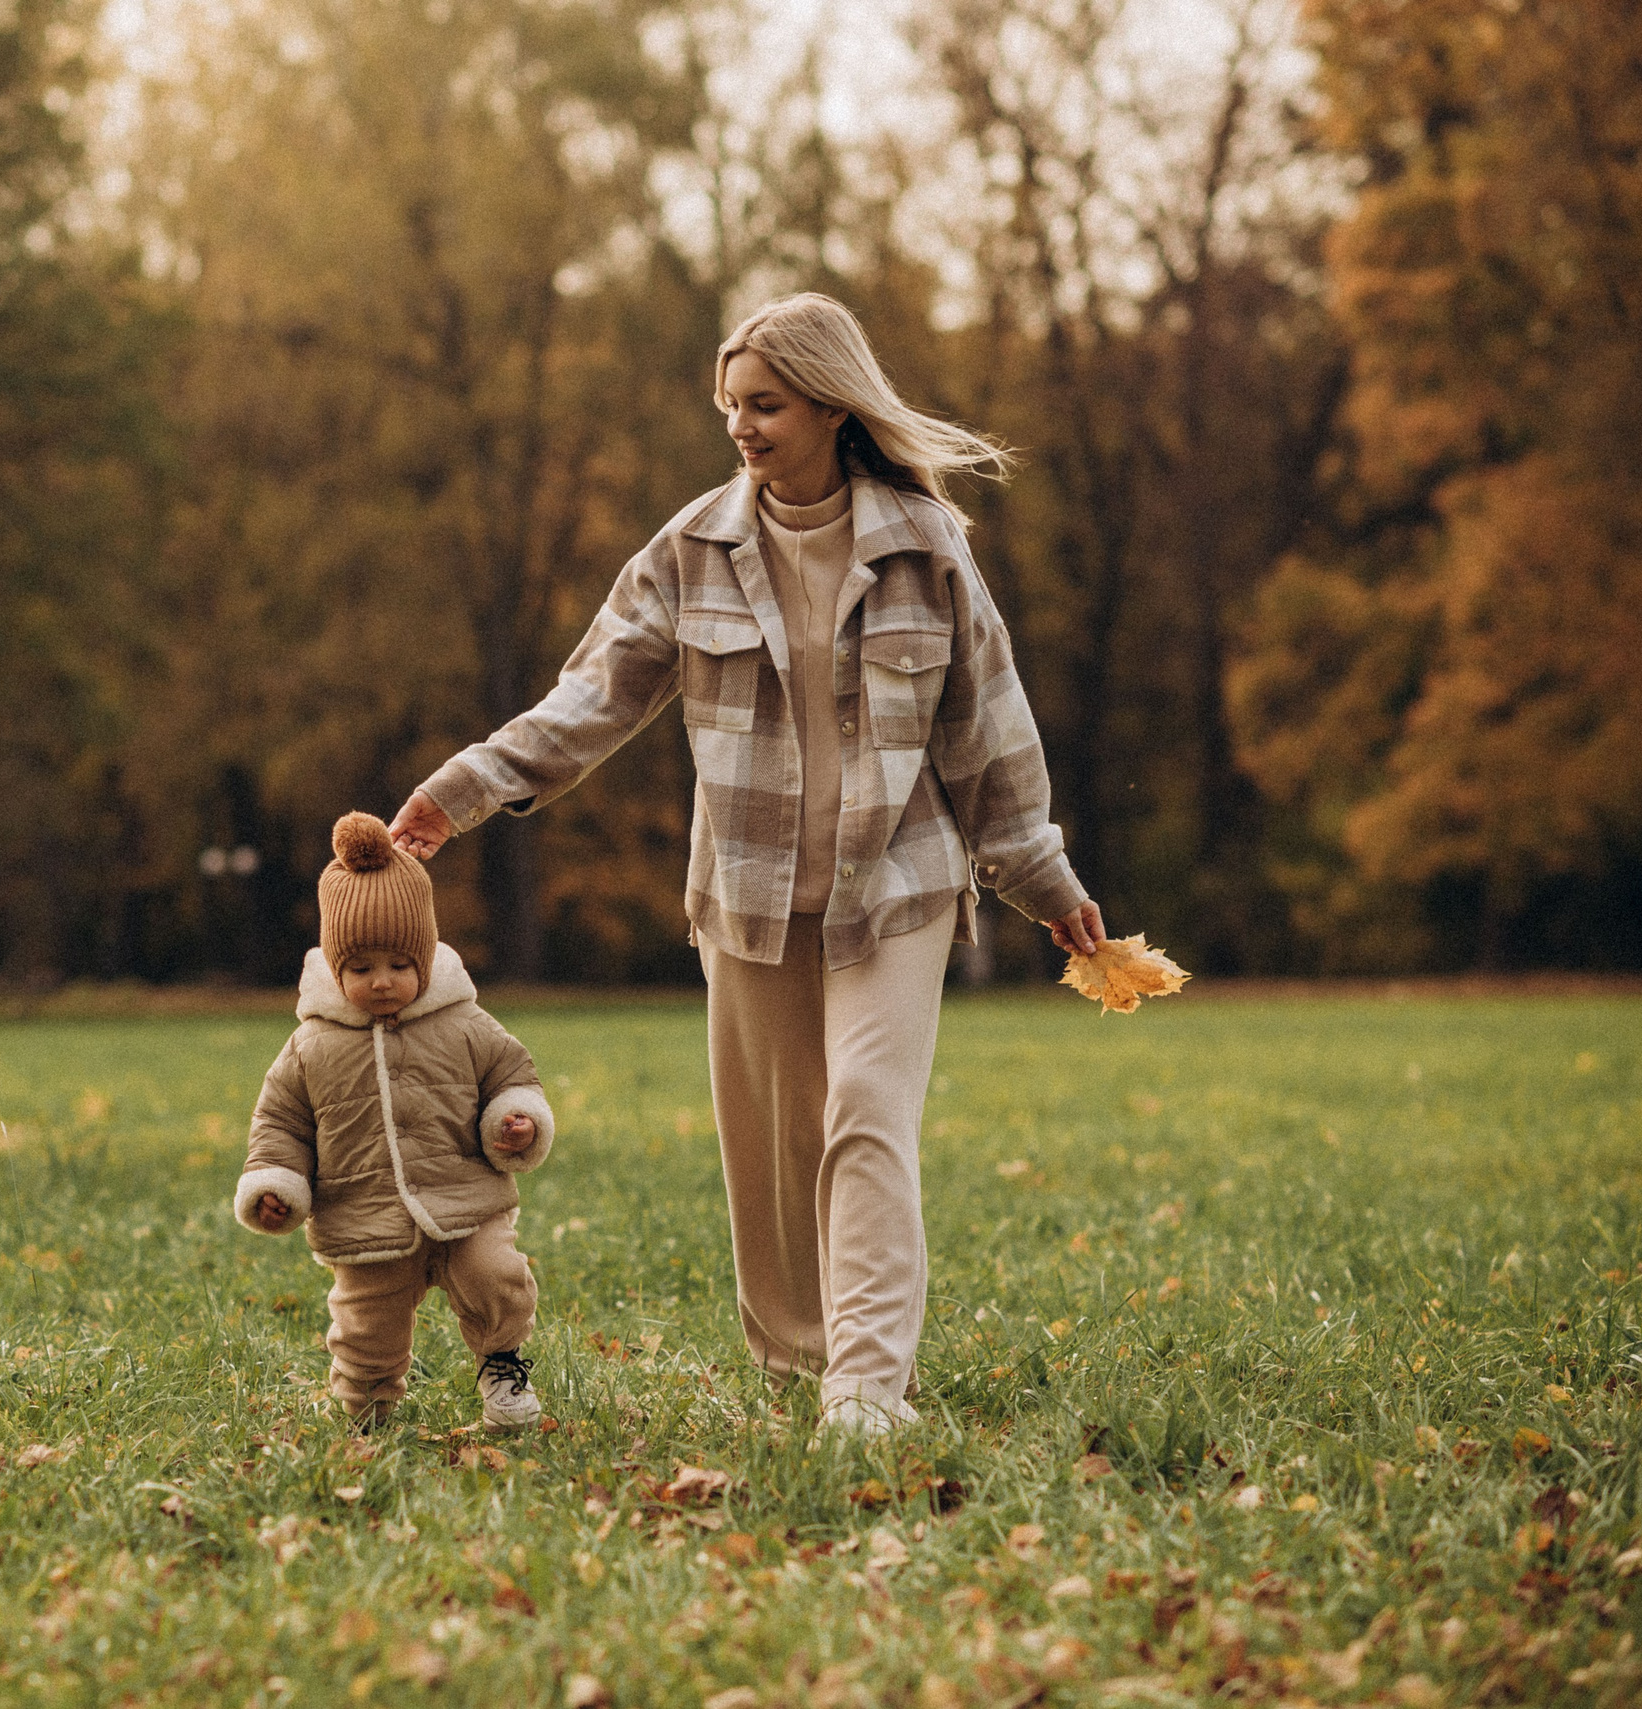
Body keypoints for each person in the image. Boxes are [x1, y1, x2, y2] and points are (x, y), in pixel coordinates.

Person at [389, 293, 1106, 1439]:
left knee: (868, 1107)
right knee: (774, 1150)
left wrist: (1046, 881)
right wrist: (463, 786)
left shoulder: (926, 550)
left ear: (829, 404)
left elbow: (989, 736)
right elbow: (591, 699)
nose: (742, 425)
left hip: (897, 886)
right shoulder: (691, 551)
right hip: (751, 893)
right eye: (730, 404)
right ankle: (796, 1363)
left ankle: (868, 1389)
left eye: (764, 404)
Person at [234, 812, 559, 1432]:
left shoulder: (465, 1023)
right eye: (359, 969)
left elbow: (513, 1074)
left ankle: (503, 1367)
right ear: (334, 969)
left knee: (497, 1278)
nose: (381, 981)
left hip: (467, 1203)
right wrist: (275, 1186)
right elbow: (280, 1124)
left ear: (426, 958)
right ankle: (366, 1413)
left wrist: (515, 1119)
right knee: (366, 1328)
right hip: (364, 1216)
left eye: (398, 965)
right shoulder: (311, 1046)